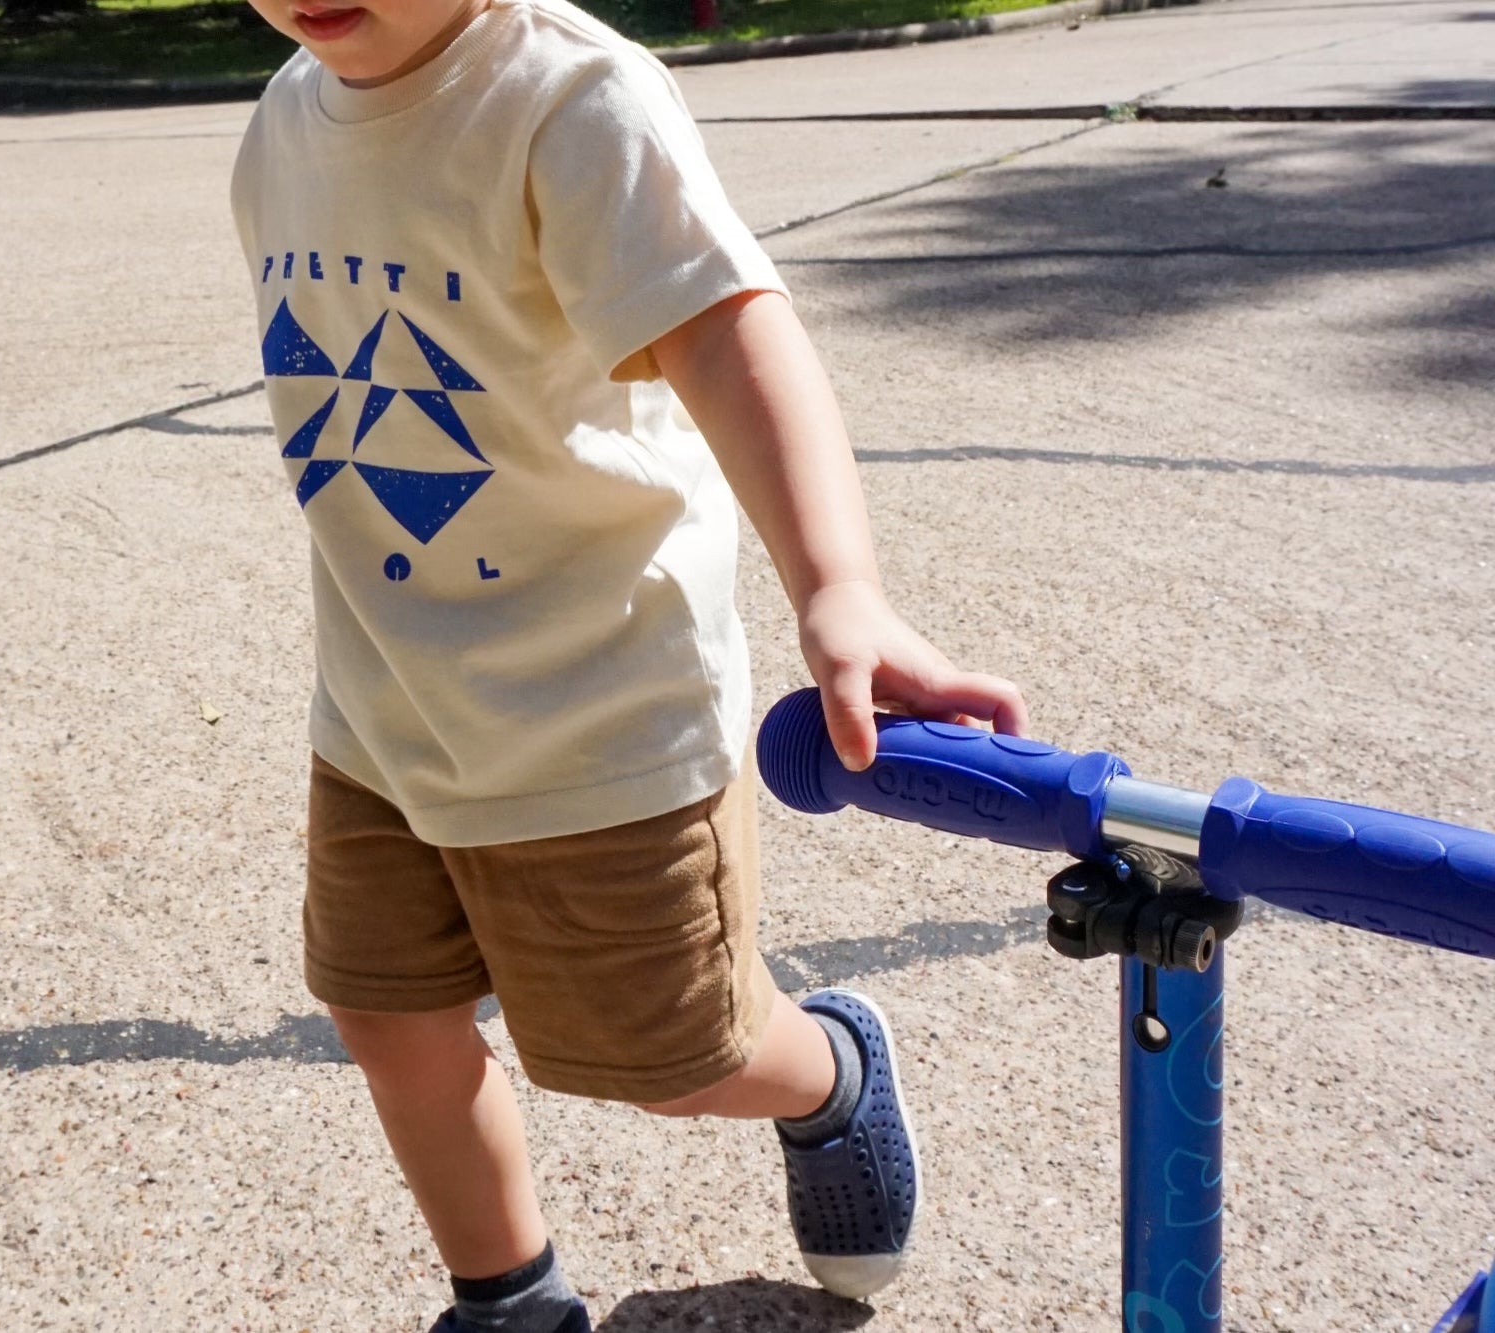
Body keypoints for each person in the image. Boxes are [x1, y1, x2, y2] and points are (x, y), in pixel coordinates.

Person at [229, 0, 1029, 1326]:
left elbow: (726, 329)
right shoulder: (280, 127)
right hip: (382, 704)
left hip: (598, 704)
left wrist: (840, 587)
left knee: (672, 1057)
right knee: (386, 1009)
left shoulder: (570, 98)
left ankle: (829, 1070)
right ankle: (512, 1297)